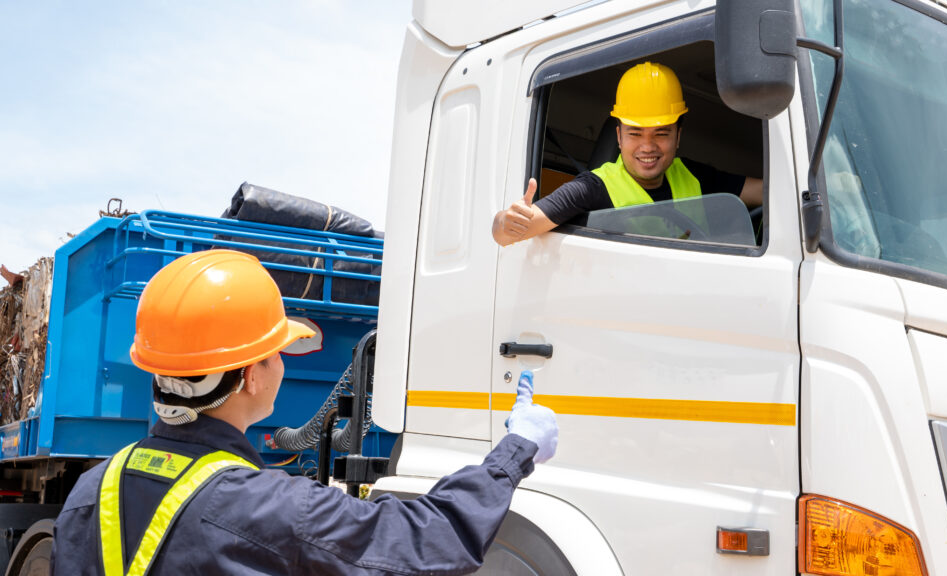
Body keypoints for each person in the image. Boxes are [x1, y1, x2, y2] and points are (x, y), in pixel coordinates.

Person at [52, 249, 558, 575]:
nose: (281, 364)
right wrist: (515, 451)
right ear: (250, 375)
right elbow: (435, 538)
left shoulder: (93, 488)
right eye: (276, 352)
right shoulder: (276, 509)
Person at [493, 61, 763, 246]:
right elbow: (509, 233)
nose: (648, 146)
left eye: (661, 133)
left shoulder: (691, 174)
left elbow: (766, 193)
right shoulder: (594, 187)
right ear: (619, 137)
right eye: (635, 133)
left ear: (678, 136)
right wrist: (506, 221)